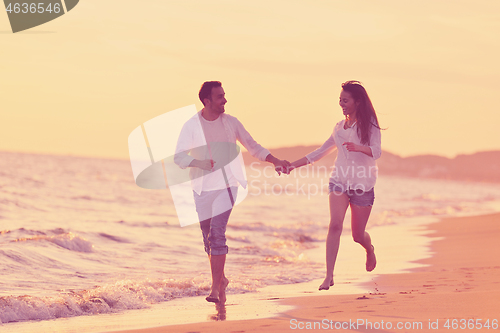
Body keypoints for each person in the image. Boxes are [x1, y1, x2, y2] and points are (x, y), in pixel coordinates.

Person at [174, 81, 290, 303]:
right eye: (219, 97)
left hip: (227, 185)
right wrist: (198, 162)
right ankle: (222, 279)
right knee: (208, 239)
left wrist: (274, 161)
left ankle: (215, 289)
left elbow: (253, 146)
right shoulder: (191, 125)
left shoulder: (231, 123)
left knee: (217, 233)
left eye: (224, 95)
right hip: (201, 188)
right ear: (206, 101)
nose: (225, 100)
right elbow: (178, 156)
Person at [287, 81, 382, 290]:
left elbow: (377, 151)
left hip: (363, 185)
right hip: (339, 181)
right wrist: (292, 166)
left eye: (345, 100)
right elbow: (320, 152)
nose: (341, 104)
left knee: (358, 235)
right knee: (335, 224)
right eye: (340, 100)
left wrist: (359, 147)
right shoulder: (339, 128)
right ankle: (329, 275)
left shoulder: (370, 125)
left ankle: (369, 248)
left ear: (357, 102)